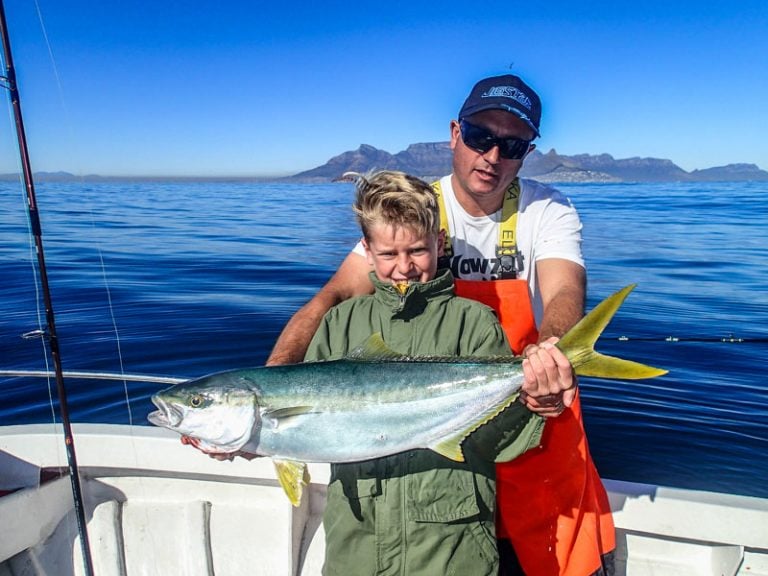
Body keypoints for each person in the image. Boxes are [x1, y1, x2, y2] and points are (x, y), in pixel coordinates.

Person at [268, 74, 615, 576]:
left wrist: (549, 357)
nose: (493, 156)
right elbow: (335, 295)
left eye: (512, 145)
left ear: (527, 153)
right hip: (437, 433)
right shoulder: (414, 210)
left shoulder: (548, 208)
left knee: (550, 555)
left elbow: (563, 292)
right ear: (455, 133)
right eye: (480, 137)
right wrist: (276, 382)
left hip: (534, 411)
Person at [306, 169, 544, 575]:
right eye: (387, 255)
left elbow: (507, 444)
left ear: (439, 243)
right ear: (366, 249)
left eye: (417, 250)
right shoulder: (339, 324)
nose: (404, 268)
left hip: (452, 550)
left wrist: (536, 397)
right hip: (357, 548)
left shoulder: (474, 323)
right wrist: (244, 437)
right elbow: (308, 428)